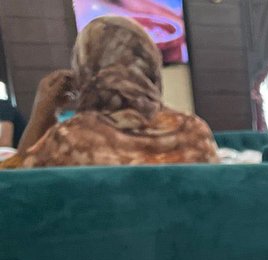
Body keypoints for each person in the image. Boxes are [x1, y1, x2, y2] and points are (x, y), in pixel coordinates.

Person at [11, 15, 216, 168]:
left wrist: (41, 114)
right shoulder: (194, 132)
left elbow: (16, 191)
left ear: (84, 68)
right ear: (152, 64)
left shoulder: (67, 141)